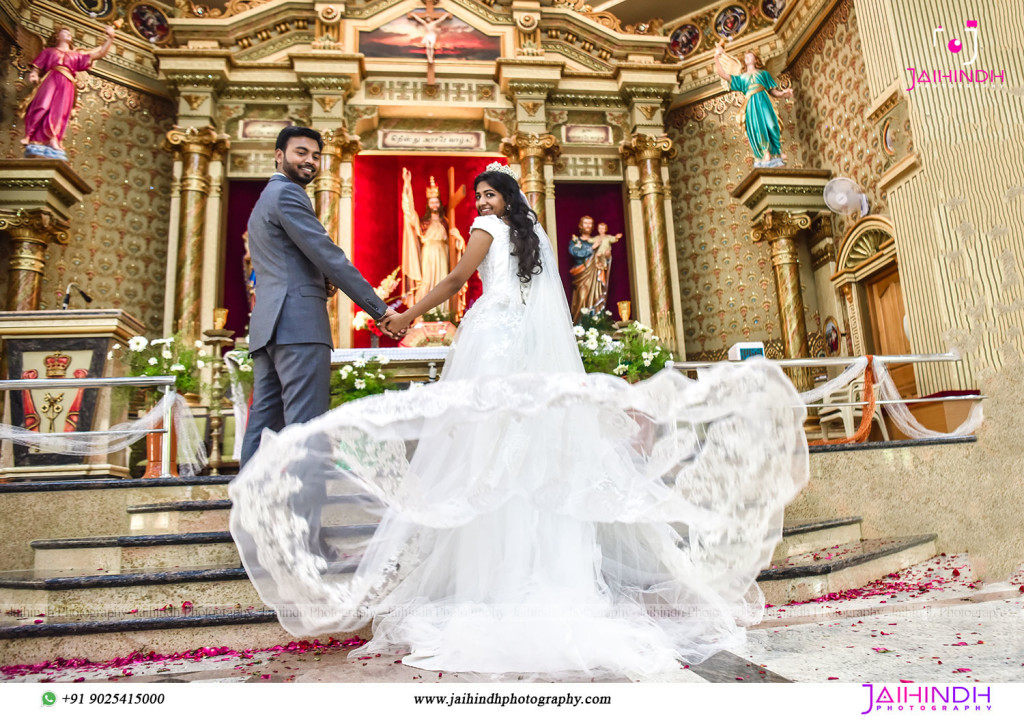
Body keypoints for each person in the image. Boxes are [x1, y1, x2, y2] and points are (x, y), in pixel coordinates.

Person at [229, 162, 809, 676]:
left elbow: (458, 281)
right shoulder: (534, 241)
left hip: (490, 344)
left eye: (488, 194)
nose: (480, 203)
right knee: (526, 447)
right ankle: (543, 573)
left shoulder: (487, 231)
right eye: (476, 196)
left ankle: (493, 580)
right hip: (521, 347)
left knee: (482, 450)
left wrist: (404, 316)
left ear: (506, 198)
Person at [238, 126, 401, 467]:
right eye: (301, 153)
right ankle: (303, 517)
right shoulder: (288, 194)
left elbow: (291, 261)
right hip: (298, 326)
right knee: (306, 427)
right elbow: (328, 255)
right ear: (279, 155)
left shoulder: (263, 201)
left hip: (270, 325)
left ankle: (245, 510)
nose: (310, 161)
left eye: (315, 156)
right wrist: (379, 309)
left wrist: (318, 279)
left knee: (264, 423)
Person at [21, 25, 115, 153]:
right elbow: (37, 65)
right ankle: (29, 135)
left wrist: (110, 38)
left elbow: (99, 53)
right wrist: (34, 73)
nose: (68, 34)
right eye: (64, 32)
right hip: (51, 78)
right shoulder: (49, 51)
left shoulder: (76, 55)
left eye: (69, 33)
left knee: (59, 111)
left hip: (67, 83)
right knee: (42, 105)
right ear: (57, 37)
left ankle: (53, 138)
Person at [714, 42, 794, 168]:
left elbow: (772, 90)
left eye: (750, 56)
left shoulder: (764, 74)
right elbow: (723, 75)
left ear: (756, 59)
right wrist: (716, 57)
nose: (748, 58)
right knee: (758, 128)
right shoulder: (742, 77)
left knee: (772, 124)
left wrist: (783, 94)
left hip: (764, 101)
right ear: (744, 62)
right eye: (746, 57)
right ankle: (765, 153)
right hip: (751, 105)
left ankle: (776, 151)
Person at [567, 215, 604, 321]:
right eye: (585, 223)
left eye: (590, 223)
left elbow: (604, 256)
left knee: (597, 297)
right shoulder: (576, 241)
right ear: (581, 225)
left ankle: (597, 321)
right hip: (582, 275)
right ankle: (580, 323)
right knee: (582, 297)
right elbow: (575, 252)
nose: (588, 226)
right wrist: (592, 248)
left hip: (596, 275)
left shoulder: (596, 240)